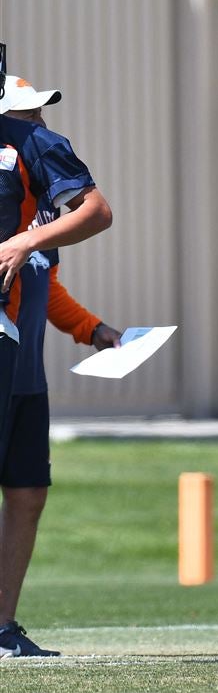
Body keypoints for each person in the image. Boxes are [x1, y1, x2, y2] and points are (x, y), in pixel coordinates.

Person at [0, 74, 122, 658]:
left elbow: (44, 287)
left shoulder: (35, 223)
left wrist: (92, 330)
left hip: (26, 376)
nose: (39, 125)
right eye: (28, 116)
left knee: (27, 493)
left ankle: (2, 626)